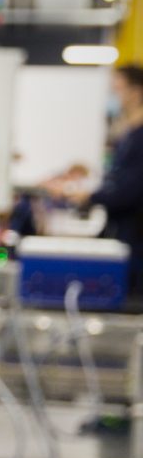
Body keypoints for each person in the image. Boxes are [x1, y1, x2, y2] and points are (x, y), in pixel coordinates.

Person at [75, 65, 143, 299]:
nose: (115, 97)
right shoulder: (129, 133)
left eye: (118, 89)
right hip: (121, 234)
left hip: (135, 238)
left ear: (135, 92)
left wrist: (90, 196)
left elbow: (130, 190)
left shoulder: (139, 136)